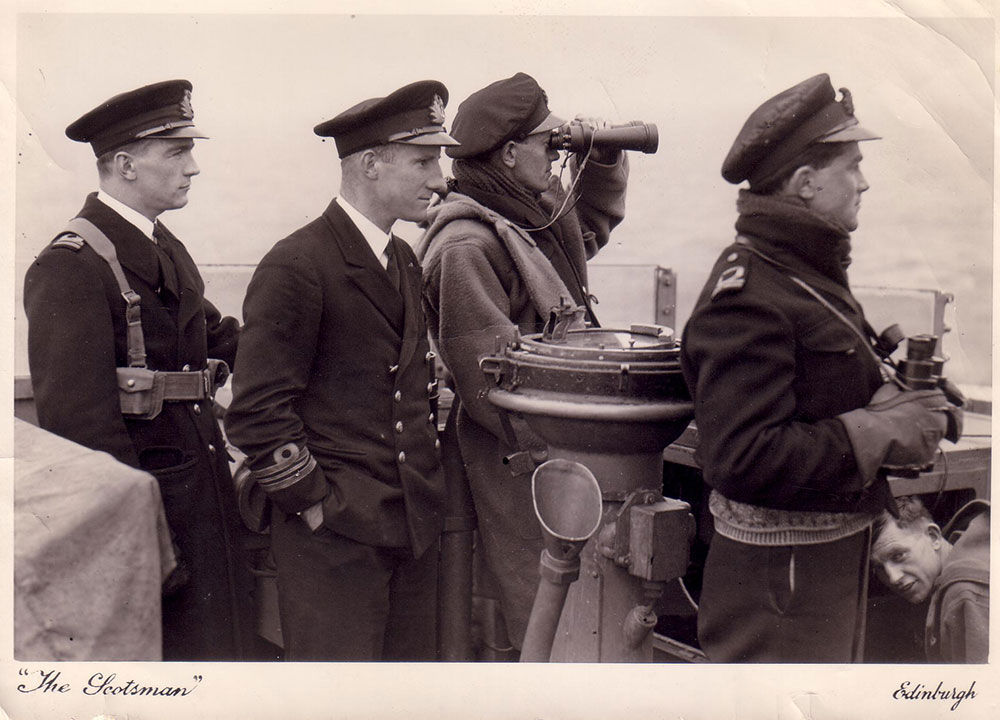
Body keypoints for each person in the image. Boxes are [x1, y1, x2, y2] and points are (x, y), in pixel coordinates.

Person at [679, 73, 962, 662]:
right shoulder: (749, 296)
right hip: (779, 588)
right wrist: (880, 429)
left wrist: (907, 400)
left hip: (817, 568)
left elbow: (818, 386)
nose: (865, 182)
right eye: (852, 167)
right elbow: (742, 457)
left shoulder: (801, 271)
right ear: (806, 184)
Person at [223, 80, 456, 661]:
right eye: (424, 161)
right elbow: (256, 413)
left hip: (408, 524)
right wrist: (314, 502)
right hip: (336, 537)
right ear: (371, 165)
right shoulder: (298, 264)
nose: (440, 179)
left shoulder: (402, 256)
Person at [23, 79, 252, 660]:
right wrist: (142, 538)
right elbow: (80, 428)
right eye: (177, 152)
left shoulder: (162, 246)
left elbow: (219, 337)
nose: (193, 168)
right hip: (151, 514)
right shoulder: (71, 265)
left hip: (200, 493)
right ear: (124, 164)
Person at [418, 72, 629, 651]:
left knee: (581, 609)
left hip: (562, 449)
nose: (556, 155)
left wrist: (601, 159)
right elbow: (492, 386)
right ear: (509, 153)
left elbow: (585, 229)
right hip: (526, 463)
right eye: (547, 144)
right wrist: (569, 451)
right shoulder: (467, 245)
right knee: (544, 619)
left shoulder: (525, 215)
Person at [871, 495, 989, 663]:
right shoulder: (964, 546)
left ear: (933, 537)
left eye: (898, 556)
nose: (893, 577)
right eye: (879, 568)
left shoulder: (965, 594)